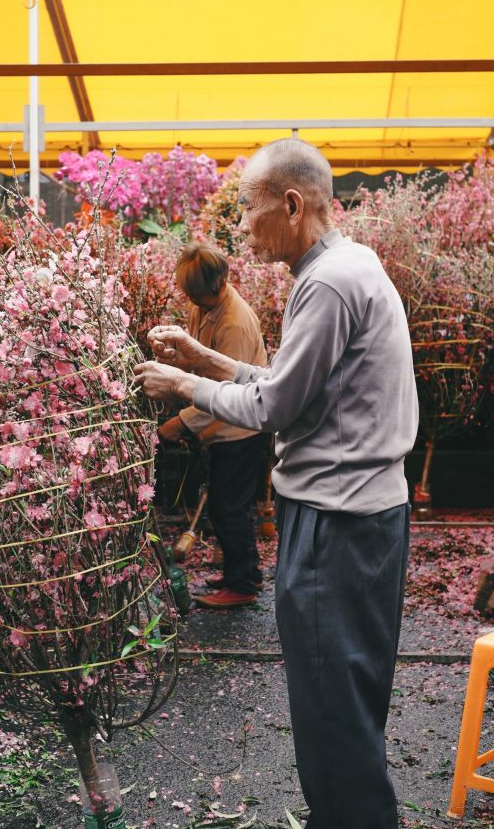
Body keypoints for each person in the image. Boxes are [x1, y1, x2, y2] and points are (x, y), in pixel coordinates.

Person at [135, 138, 419, 829]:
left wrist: (184, 383)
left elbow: (272, 410)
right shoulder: (352, 265)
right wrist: (206, 356)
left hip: (335, 524)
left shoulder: (324, 282)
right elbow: (296, 389)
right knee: (349, 697)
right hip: (368, 516)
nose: (242, 227)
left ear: (293, 206)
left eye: (250, 210)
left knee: (329, 704)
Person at [158, 241, 267, 607]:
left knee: (228, 508)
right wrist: (172, 360)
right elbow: (199, 363)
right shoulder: (202, 305)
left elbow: (226, 395)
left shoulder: (234, 322)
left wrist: (179, 423)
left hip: (239, 429)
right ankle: (243, 572)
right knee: (228, 505)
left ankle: (242, 585)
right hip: (218, 431)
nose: (194, 302)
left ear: (220, 284)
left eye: (199, 295)